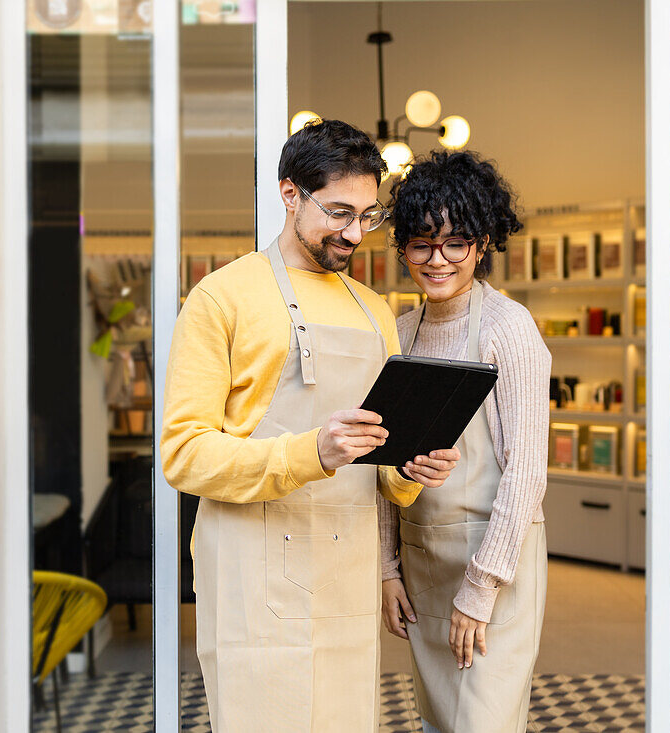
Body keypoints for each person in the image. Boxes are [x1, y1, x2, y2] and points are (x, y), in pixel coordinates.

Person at [160, 119, 461, 732]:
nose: (355, 233)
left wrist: (410, 471)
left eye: (368, 216)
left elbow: (381, 472)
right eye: (340, 212)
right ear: (289, 193)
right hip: (253, 583)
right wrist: (310, 452)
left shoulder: (373, 309)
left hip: (344, 581)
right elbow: (183, 455)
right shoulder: (221, 298)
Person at [378, 150, 551, 733]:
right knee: (438, 722)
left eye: (455, 242)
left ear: (481, 244)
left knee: (484, 722)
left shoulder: (509, 329)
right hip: (423, 566)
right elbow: (379, 463)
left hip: (493, 566)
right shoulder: (399, 332)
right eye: (422, 243)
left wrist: (480, 589)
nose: (438, 259)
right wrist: (385, 568)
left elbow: (527, 472)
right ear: (403, 246)